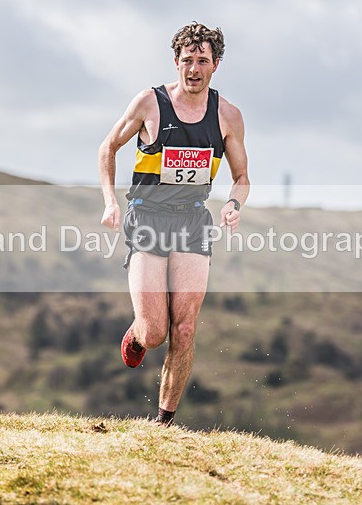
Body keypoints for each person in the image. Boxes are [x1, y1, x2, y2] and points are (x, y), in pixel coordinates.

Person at [98, 22, 249, 426]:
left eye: (203, 60)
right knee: (155, 334)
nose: (194, 69)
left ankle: (163, 423)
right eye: (187, 60)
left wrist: (234, 204)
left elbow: (241, 178)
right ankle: (137, 332)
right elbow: (108, 147)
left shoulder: (228, 116)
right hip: (147, 218)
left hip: (192, 223)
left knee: (184, 330)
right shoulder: (149, 103)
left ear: (216, 64)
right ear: (176, 61)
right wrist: (110, 201)